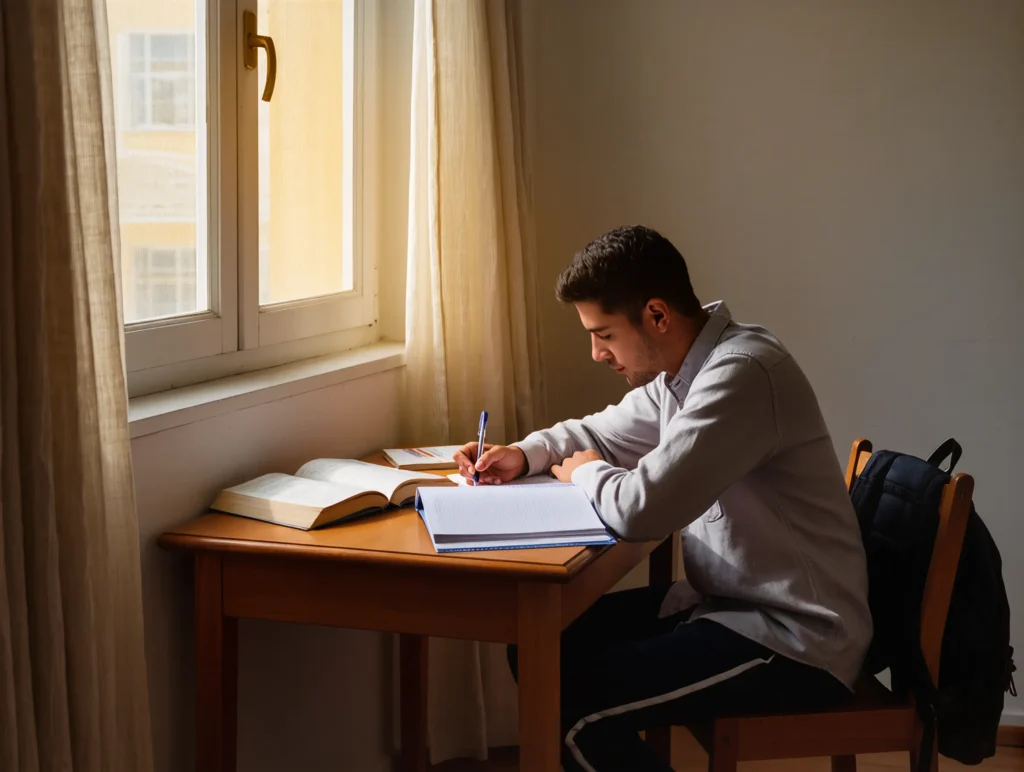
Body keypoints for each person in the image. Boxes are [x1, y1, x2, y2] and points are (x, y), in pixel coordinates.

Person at [453, 225, 872, 772]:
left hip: (793, 635)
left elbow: (642, 508)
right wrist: (524, 453)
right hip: (725, 605)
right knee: (538, 650)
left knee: (582, 713)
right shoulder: (682, 373)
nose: (597, 354)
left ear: (656, 315)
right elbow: (600, 433)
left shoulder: (740, 374)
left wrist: (587, 475)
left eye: (604, 334)